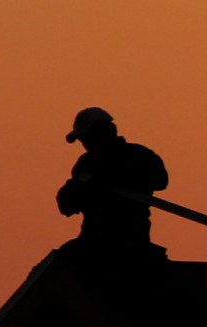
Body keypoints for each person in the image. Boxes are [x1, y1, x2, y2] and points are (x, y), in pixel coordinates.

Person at [56, 107, 168, 253]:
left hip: (131, 237)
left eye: (89, 137)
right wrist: (76, 190)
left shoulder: (139, 156)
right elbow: (67, 205)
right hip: (92, 238)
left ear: (107, 131)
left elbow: (161, 181)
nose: (85, 143)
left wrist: (120, 178)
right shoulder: (86, 163)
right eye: (83, 139)